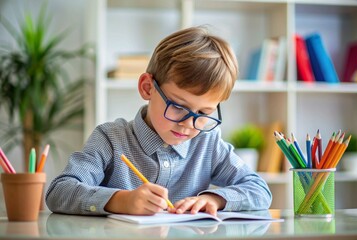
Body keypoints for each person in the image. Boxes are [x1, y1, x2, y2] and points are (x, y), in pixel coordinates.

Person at [46, 26, 272, 216]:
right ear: (147, 88)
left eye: (203, 113)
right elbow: (59, 192)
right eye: (178, 107)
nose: (188, 124)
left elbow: (260, 190)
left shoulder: (208, 143)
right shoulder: (110, 139)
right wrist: (122, 201)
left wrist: (216, 199)